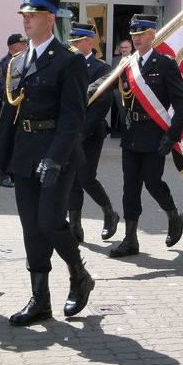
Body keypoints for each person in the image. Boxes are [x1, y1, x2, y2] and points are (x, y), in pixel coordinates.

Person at [0, 0, 93, 326]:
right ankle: (40, 300)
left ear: (50, 18)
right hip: (24, 152)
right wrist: (0, 161)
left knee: (50, 222)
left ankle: (79, 275)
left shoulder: (69, 59)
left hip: (56, 154)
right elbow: (10, 113)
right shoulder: (18, 61)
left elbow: (73, 116)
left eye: (32, 15)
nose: (26, 20)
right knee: (31, 228)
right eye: (24, 15)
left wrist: (55, 158)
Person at [108, 14, 183, 258]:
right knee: (130, 187)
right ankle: (130, 239)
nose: (136, 38)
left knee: (153, 183)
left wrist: (172, 136)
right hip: (132, 133)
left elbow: (181, 104)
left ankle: (174, 215)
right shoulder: (128, 64)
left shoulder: (165, 64)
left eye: (141, 33)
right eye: (133, 34)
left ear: (153, 35)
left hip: (155, 134)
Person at [65, 22, 120, 242]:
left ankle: (109, 212)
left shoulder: (101, 68)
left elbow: (102, 103)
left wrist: (81, 132)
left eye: (77, 41)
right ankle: (75, 225)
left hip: (90, 132)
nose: (73, 45)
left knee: (86, 177)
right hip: (70, 130)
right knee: (72, 179)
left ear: (89, 42)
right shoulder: (68, 64)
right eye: (72, 41)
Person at [0, 33, 29, 188]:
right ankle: (1, 173)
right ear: (14, 46)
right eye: (23, 44)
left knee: (17, 139)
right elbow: (0, 86)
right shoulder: (3, 64)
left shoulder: (24, 61)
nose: (26, 46)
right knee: (5, 138)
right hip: (8, 106)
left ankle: (12, 171)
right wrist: (15, 94)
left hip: (22, 108)